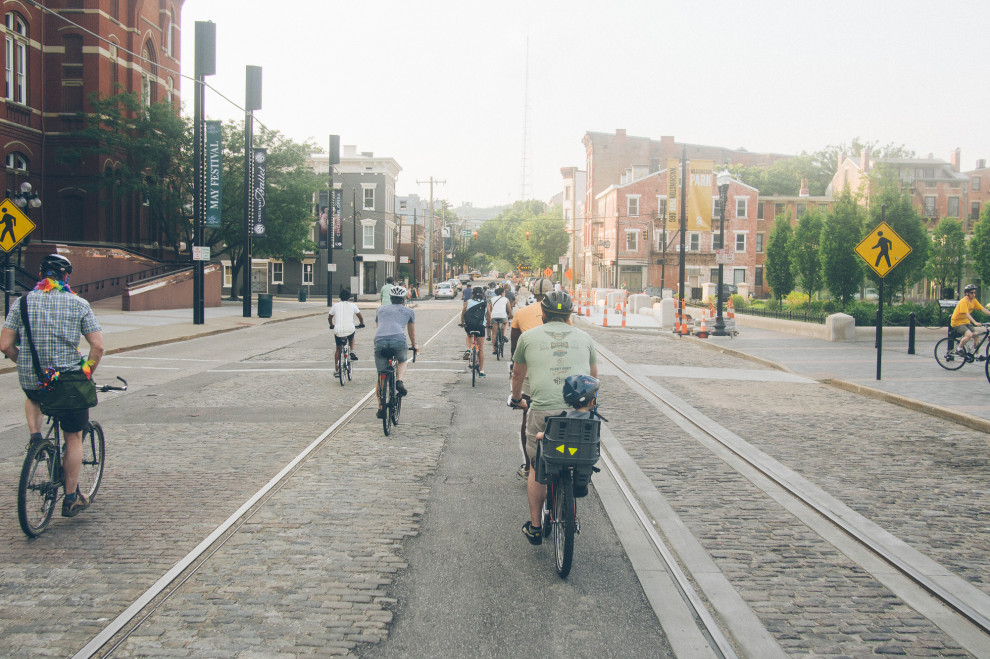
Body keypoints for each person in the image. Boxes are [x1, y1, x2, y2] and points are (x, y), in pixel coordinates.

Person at [1, 254, 105, 518]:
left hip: (34, 379)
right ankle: (70, 498)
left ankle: (36, 440)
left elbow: (4, 345)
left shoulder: (21, 303)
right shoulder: (78, 303)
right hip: (68, 381)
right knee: (73, 437)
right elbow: (98, 346)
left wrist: (21, 359)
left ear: (41, 274)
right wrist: (87, 371)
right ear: (65, 277)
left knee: (34, 394)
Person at [510, 290, 597, 545]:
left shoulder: (528, 337)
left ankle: (536, 526)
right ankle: (577, 481)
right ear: (569, 315)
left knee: (537, 467)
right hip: (578, 411)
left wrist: (517, 400)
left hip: (542, 410)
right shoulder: (585, 337)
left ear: (543, 313)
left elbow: (517, 376)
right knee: (578, 450)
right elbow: (593, 376)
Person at [508, 278, 555, 480]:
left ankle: (529, 467)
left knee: (528, 414)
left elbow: (515, 349)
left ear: (533, 293)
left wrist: (514, 370)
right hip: (557, 370)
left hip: (531, 372)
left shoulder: (520, 313)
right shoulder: (560, 315)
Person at [532, 374, 603, 498]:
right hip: (584, 456)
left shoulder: (565, 418)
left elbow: (550, 435)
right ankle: (581, 485)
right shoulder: (594, 419)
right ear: (592, 401)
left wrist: (541, 435)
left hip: (560, 453)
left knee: (539, 456)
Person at [373, 285, 417, 418]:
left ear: (391, 298)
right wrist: (414, 345)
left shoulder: (380, 310)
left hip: (380, 341)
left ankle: (381, 407)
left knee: (381, 375)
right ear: (404, 299)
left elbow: (379, 326)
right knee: (403, 360)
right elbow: (411, 332)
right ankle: (399, 380)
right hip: (398, 341)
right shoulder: (409, 312)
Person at [328, 288, 365, 376]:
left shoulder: (335, 306)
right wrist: (361, 323)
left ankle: (337, 368)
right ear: (349, 297)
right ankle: (352, 350)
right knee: (351, 339)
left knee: (338, 349)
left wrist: (331, 324)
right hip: (349, 329)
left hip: (338, 330)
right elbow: (360, 317)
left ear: (340, 297)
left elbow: (330, 317)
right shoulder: (353, 306)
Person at [951, 284, 988, 356]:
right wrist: (975, 322)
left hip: (966, 322)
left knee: (976, 335)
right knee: (969, 335)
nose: (973, 294)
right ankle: (959, 349)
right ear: (967, 293)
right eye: (971, 293)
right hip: (957, 322)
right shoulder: (963, 301)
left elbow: (983, 309)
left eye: (974, 293)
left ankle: (977, 355)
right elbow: (966, 314)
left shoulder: (974, 301)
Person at [461, 285, 487, 377]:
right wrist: (488, 325)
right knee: (481, 349)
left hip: (470, 326)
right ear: (482, 294)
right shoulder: (485, 303)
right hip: (480, 327)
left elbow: (463, 313)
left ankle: (468, 349)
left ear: (473, 294)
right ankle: (481, 370)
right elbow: (489, 316)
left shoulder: (468, 302)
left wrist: (462, 322)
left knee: (469, 335)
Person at [488, 285, 513, 353]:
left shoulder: (493, 299)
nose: (505, 293)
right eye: (504, 292)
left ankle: (494, 349)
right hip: (502, 316)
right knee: (506, 323)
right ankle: (504, 335)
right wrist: (510, 315)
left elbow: (490, 309)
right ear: (502, 293)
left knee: (494, 333)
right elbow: (509, 309)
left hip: (494, 316)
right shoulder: (506, 299)